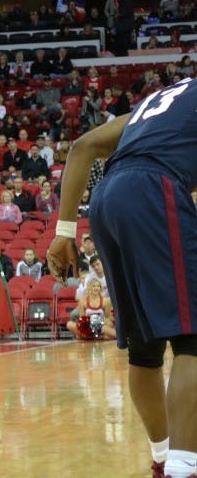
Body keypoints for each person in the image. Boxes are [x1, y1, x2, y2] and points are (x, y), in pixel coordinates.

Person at [46, 78, 197, 478]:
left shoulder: (160, 102)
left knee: (145, 350)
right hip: (154, 190)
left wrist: (64, 234)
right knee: (193, 339)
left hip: (106, 199)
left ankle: (163, 459)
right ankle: (185, 469)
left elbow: (82, 147)